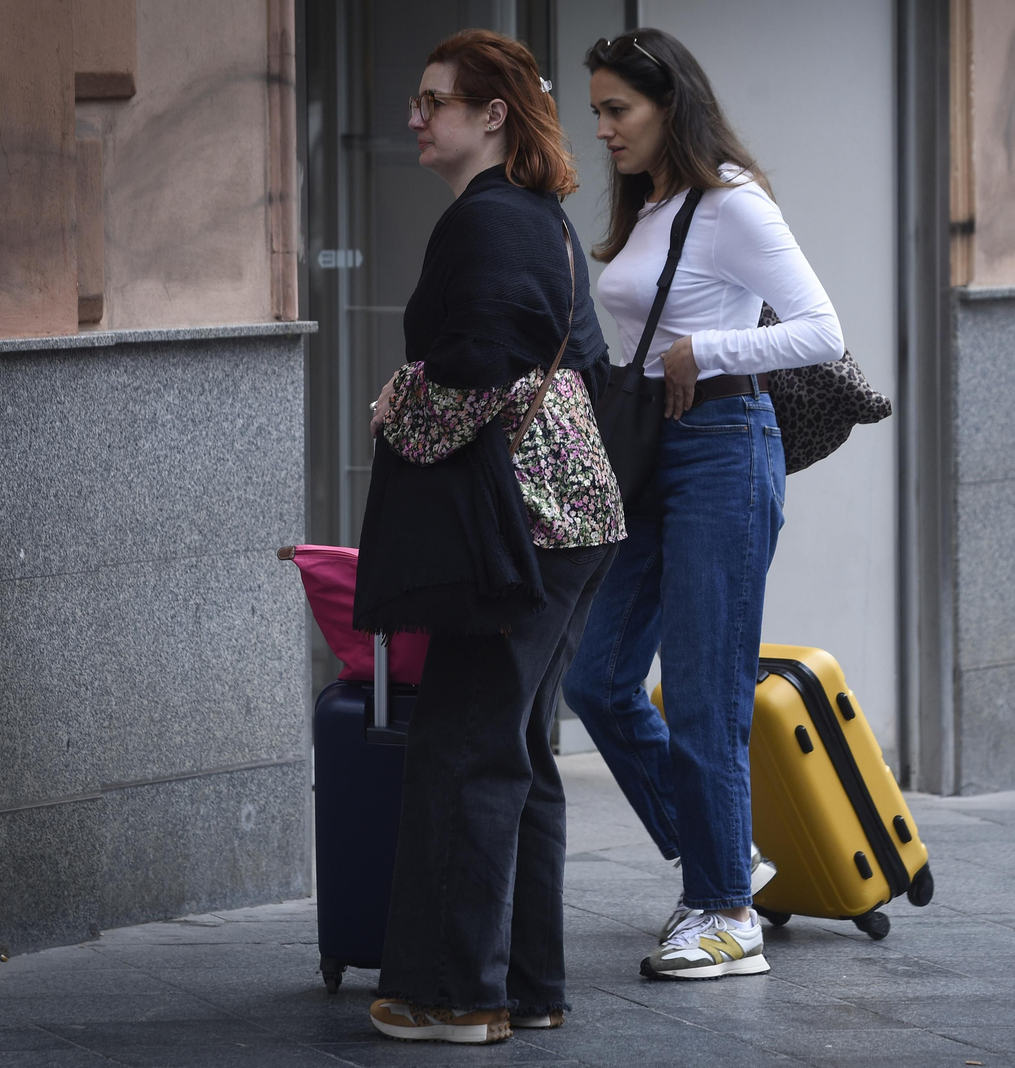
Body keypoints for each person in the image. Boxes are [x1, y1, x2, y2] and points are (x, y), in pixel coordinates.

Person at [561, 28, 845, 981]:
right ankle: (725, 857)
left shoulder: (733, 205)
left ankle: (727, 914)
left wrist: (709, 351)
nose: (600, 128)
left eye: (617, 110)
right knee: (596, 678)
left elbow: (820, 331)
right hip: (653, 455)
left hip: (725, 447)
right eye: (595, 109)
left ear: (668, 104)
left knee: (704, 690)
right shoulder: (653, 205)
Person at [358, 29, 622, 1043]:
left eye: (436, 102)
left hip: (522, 521)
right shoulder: (533, 217)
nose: (416, 118)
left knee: (464, 747)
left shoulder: (492, 218)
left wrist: (398, 411)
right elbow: (563, 358)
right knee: (513, 749)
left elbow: (483, 361)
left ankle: (453, 994)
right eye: (420, 100)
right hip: (562, 512)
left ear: (493, 115)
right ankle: (523, 987)